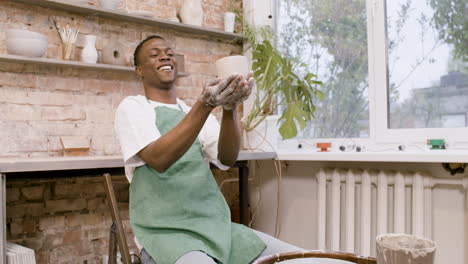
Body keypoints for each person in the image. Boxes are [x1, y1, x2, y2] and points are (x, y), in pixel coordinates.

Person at [114, 35, 301, 264]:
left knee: (308, 259)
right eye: (154, 54)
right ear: (139, 70)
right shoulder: (133, 108)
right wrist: (206, 104)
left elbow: (227, 158)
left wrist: (231, 107)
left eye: (170, 53)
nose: (165, 56)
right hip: (167, 234)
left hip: (216, 227)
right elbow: (158, 158)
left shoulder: (188, 110)